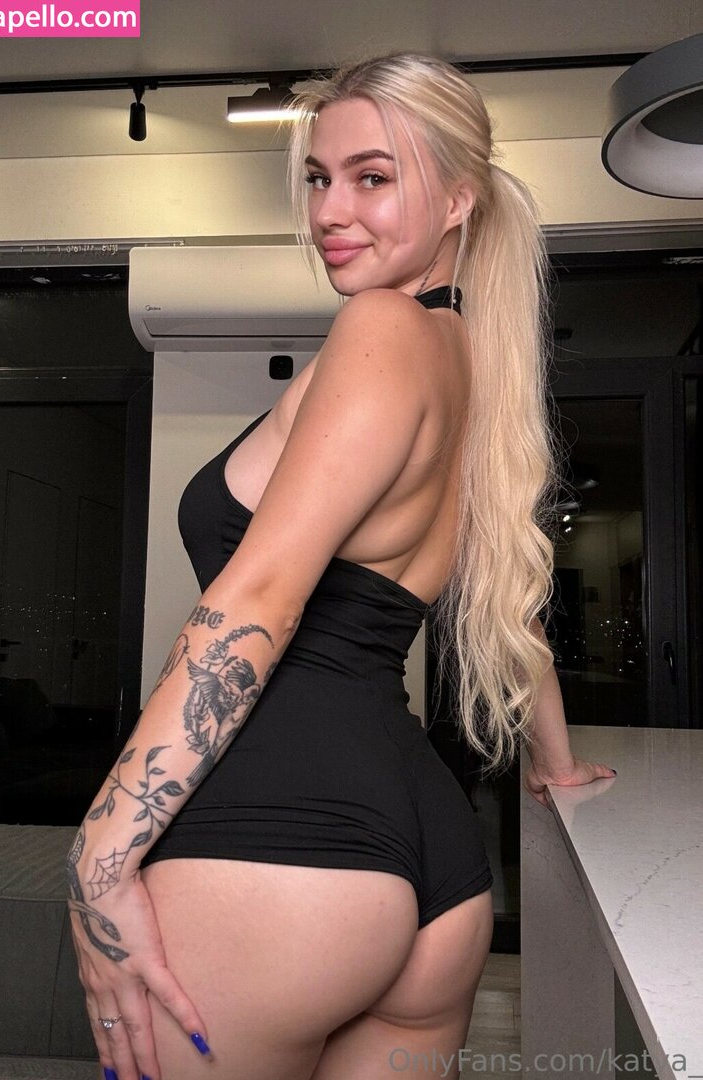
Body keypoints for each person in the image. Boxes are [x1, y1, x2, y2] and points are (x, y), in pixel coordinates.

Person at [67, 50, 617, 1080]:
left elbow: (260, 593)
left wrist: (98, 857)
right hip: (432, 860)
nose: (329, 210)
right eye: (319, 178)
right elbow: (509, 601)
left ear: (458, 198)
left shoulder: (380, 329)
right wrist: (549, 764)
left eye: (372, 177)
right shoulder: (471, 367)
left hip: (285, 844)